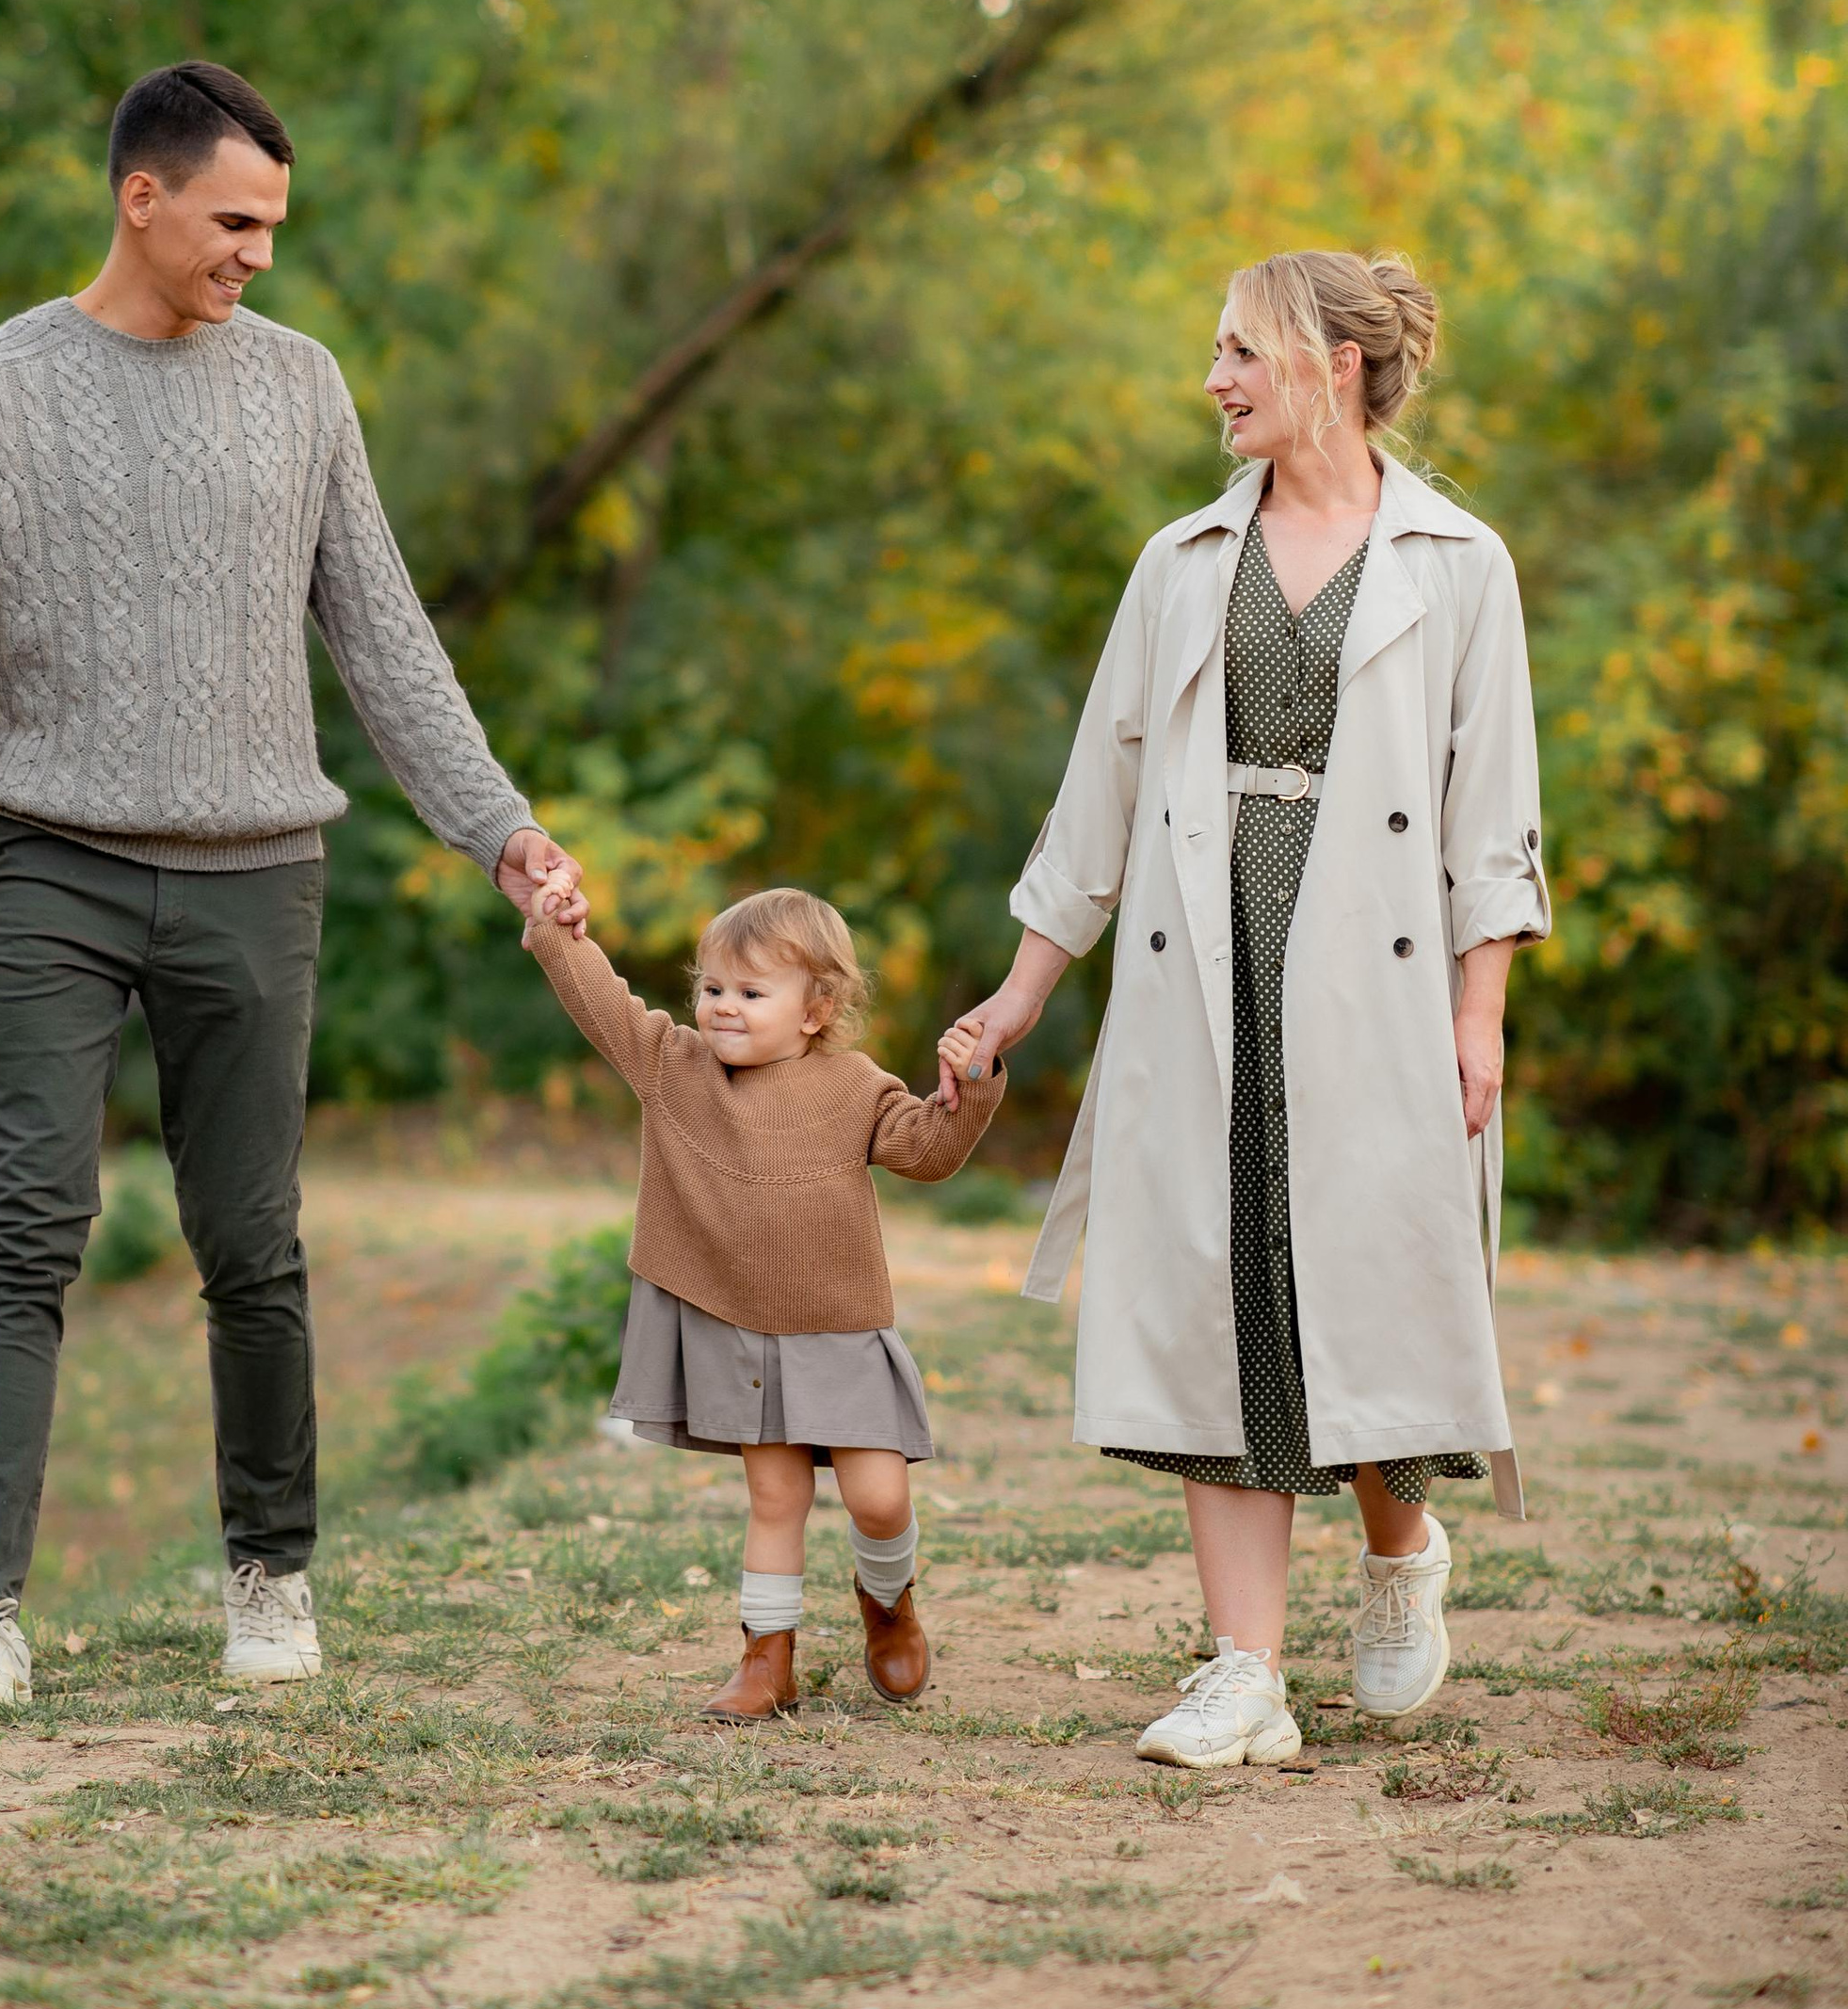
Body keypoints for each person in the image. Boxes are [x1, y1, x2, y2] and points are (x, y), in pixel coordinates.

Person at [0, 61, 577, 1715]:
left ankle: (271, 1573)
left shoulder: (304, 387)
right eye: (237, 220)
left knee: (252, 1241)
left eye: (274, 226)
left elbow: (387, 640)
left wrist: (502, 830)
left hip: (259, 873)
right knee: (24, 1227)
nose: (260, 252)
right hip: (51, 866)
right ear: (143, 196)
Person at [952, 250, 1550, 1769]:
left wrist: (1481, 1012)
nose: (1212, 378)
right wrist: (1018, 996)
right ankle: (1245, 1671)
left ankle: (1401, 1552)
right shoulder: (1180, 560)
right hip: (1202, 966)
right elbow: (1099, 793)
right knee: (1225, 1294)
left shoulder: (1460, 561)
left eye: (1238, 350)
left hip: (1383, 978)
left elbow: (1494, 816)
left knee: (1374, 1284)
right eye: (1214, 351)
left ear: (1334, 361)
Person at [522, 872, 1004, 1718]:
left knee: (880, 1499)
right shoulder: (675, 1068)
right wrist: (558, 930)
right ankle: (765, 1660)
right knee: (776, 1499)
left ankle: (888, 1606)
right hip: (736, 1329)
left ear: (816, 1010)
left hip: (838, 1328)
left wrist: (975, 1077)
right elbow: (603, 1002)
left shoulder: (854, 1086)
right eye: (712, 988)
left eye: (751, 992)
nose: (723, 1007)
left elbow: (929, 1152)